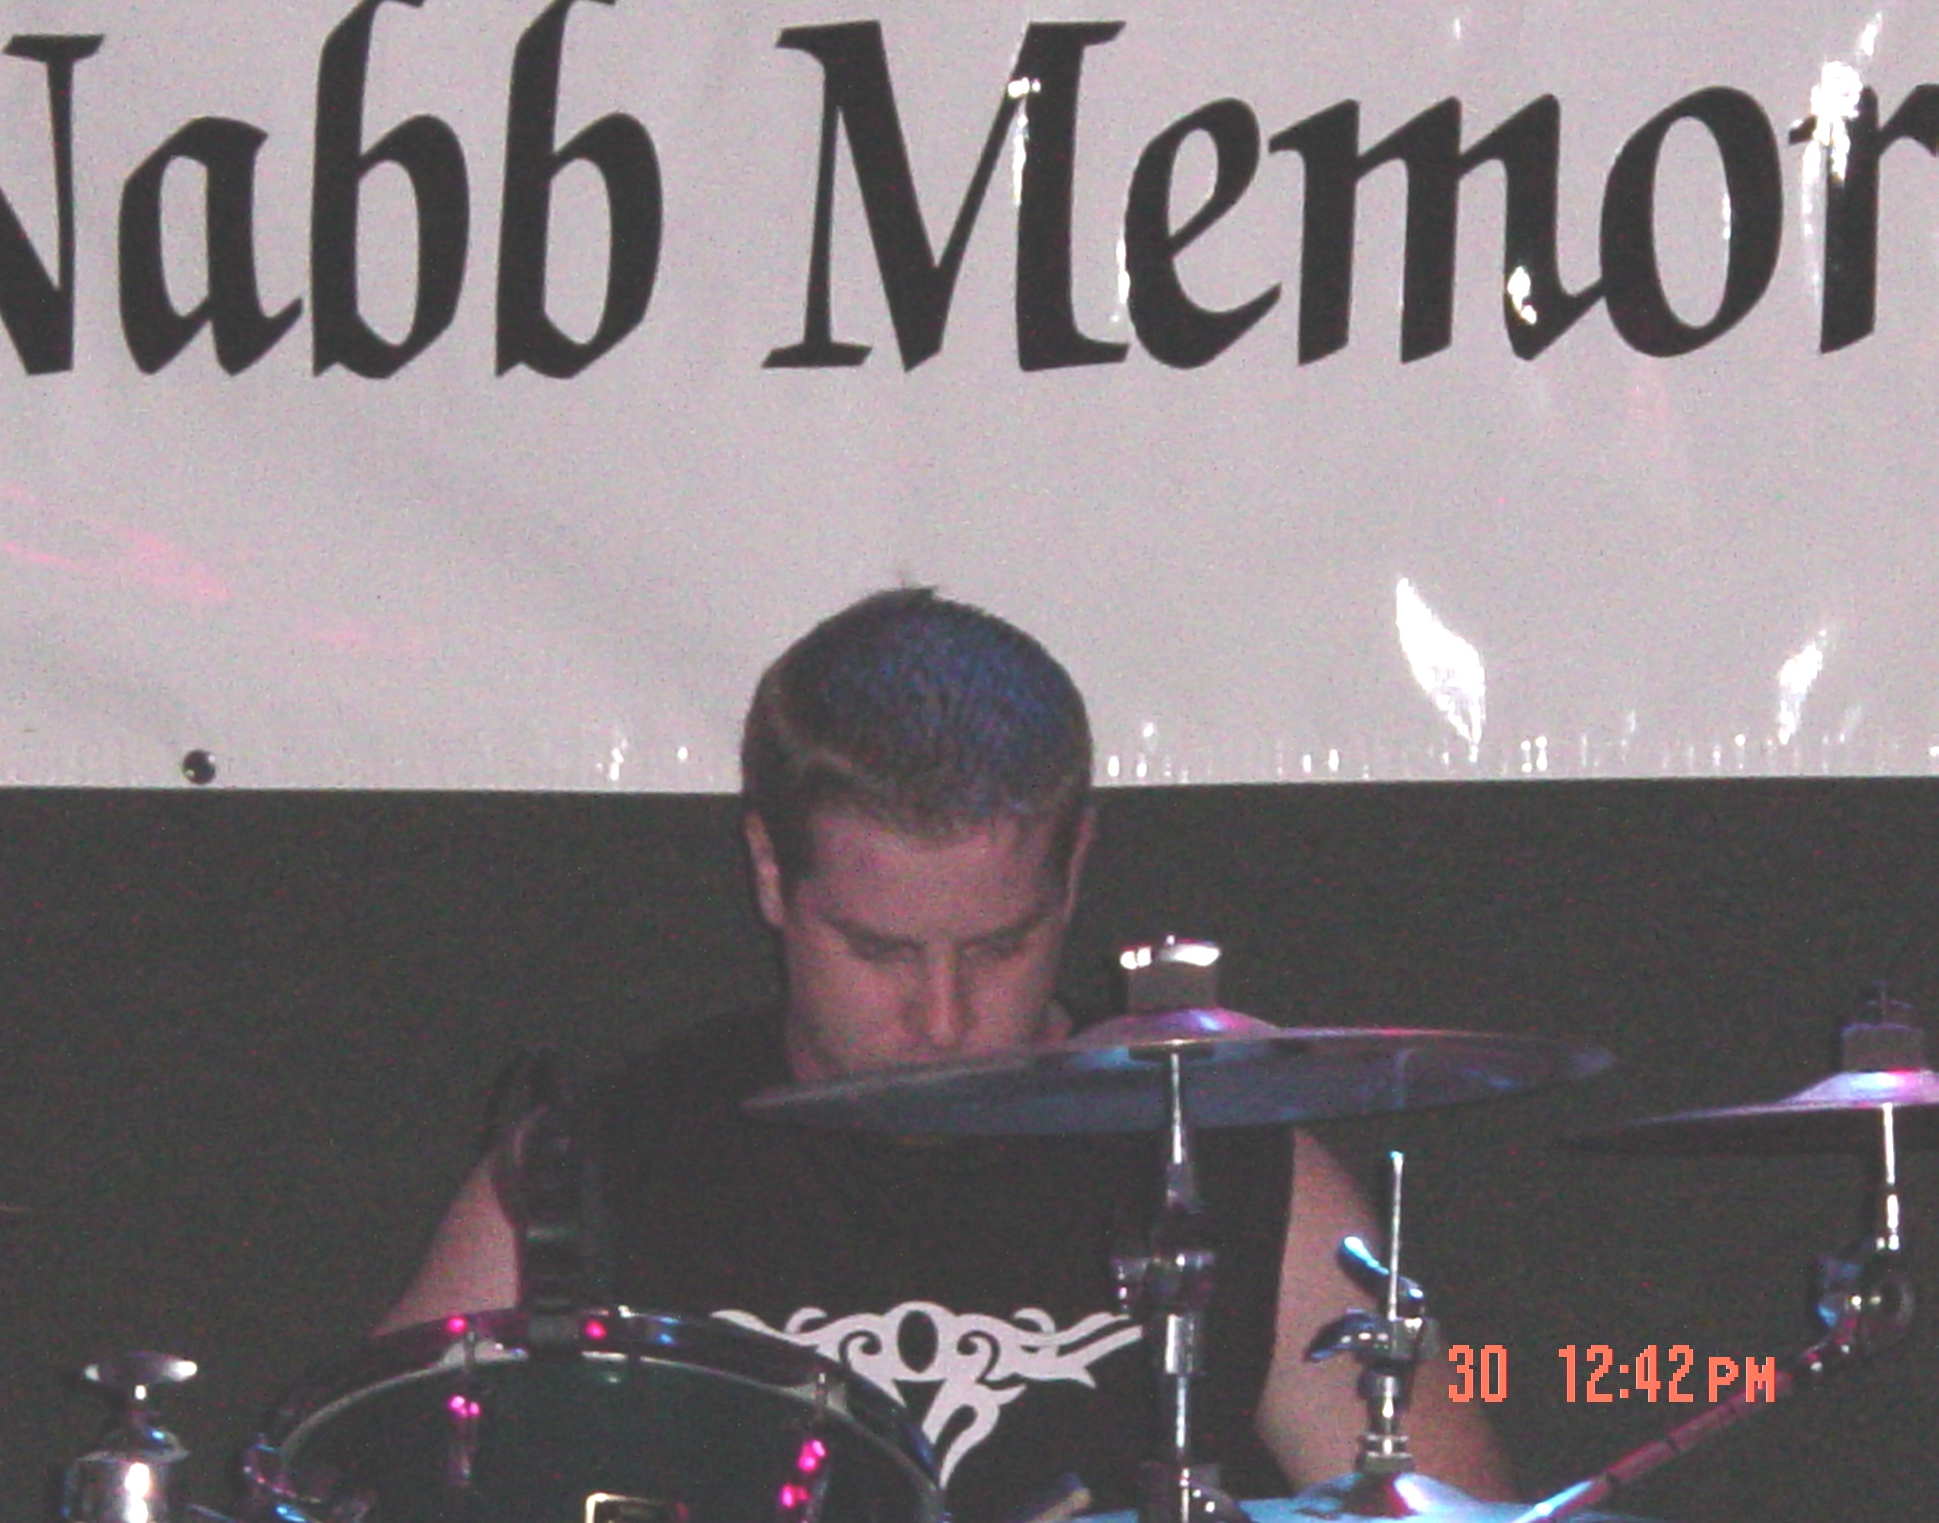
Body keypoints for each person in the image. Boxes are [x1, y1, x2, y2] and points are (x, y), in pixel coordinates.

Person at [382, 588, 1511, 1517]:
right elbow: (359, 1477)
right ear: (770, 873)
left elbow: (1448, 1507)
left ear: (1074, 869)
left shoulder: (1227, 1160)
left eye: (999, 946)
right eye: (878, 950)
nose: (941, 1016)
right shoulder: (600, 1165)